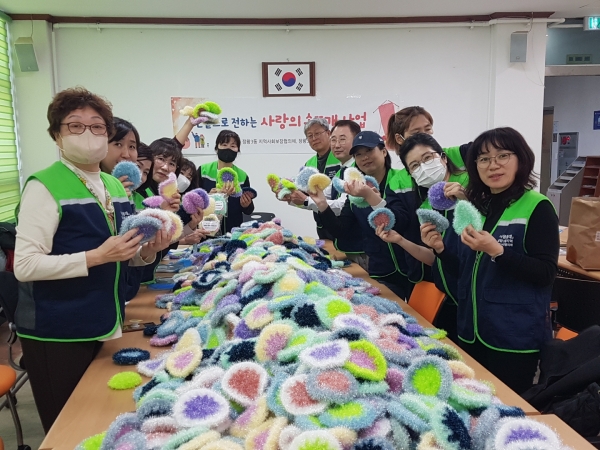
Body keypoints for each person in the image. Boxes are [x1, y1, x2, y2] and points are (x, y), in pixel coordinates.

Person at [13, 87, 172, 432]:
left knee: (97, 420)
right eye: (75, 125)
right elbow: (24, 266)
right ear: (57, 135)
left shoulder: (113, 186)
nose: (88, 133)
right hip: (57, 331)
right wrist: (96, 256)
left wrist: (150, 250)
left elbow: (125, 254)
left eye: (97, 126)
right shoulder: (44, 186)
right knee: (67, 427)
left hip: (104, 319)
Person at [421, 127, 558, 393]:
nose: (493, 165)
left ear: (521, 159)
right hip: (471, 330)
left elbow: (546, 273)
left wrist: (498, 252)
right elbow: (467, 271)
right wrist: (441, 250)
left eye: (503, 155)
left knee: (507, 405)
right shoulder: (478, 208)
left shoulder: (537, 206)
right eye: (483, 159)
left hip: (513, 337)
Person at [376, 133, 468, 341]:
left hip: (475, 296)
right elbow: (436, 257)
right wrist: (400, 240)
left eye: (427, 158)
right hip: (448, 295)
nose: (424, 167)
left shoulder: (468, 186)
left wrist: (466, 200)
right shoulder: (428, 207)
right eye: (415, 166)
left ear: (443, 158)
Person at [309, 131, 416, 300]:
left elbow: (400, 222)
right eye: (358, 154)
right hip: (381, 270)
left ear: (383, 151)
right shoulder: (355, 193)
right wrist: (322, 205)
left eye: (369, 151)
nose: (364, 157)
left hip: (413, 267)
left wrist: (371, 197)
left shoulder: (401, 180)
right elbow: (340, 230)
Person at [302, 120, 367, 270]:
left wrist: (306, 200)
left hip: (361, 247)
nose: (337, 145)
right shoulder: (341, 171)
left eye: (342, 139)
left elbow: (341, 205)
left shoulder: (357, 170)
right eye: (334, 140)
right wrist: (293, 195)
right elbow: (323, 197)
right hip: (341, 238)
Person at [285, 118, 340, 239]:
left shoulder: (341, 157)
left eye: (317, 133)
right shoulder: (308, 165)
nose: (314, 138)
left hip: (343, 221)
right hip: (321, 223)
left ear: (328, 133)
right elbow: (304, 196)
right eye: (310, 136)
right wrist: (289, 194)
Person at [198, 130, 255, 233]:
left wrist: (246, 205)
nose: (228, 148)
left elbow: (249, 210)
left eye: (233, 146)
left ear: (238, 150)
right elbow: (193, 201)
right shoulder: (203, 171)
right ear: (217, 148)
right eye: (224, 144)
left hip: (233, 231)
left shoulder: (242, 176)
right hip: (206, 230)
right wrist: (209, 197)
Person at [386, 106, 470, 170]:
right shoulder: (398, 181)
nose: (424, 135)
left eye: (428, 129)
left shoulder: (459, 154)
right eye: (416, 133)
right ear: (399, 139)